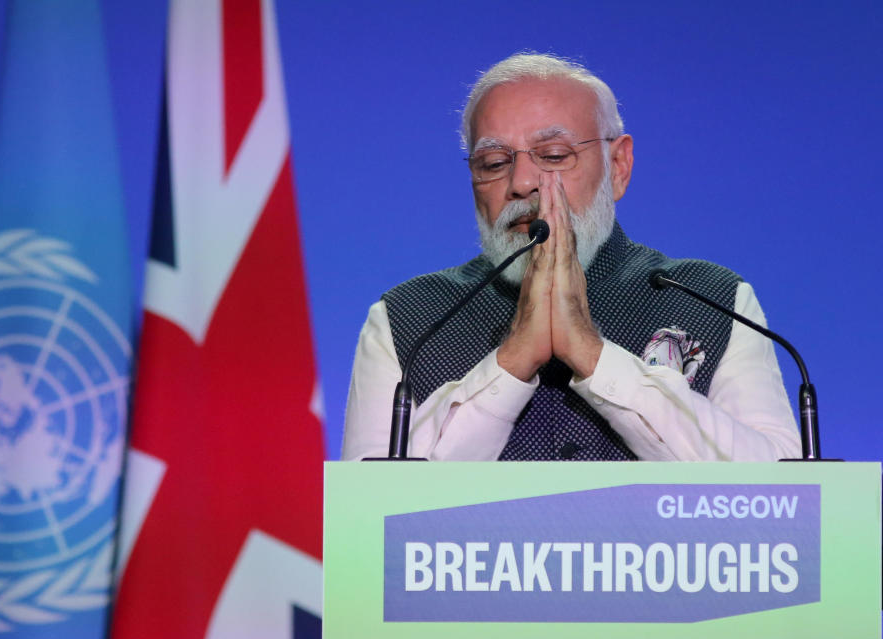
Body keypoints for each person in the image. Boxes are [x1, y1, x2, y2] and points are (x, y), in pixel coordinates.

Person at [341, 53, 801, 462]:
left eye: (554, 155)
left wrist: (594, 356)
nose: (522, 183)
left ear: (618, 168)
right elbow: (369, 513)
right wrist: (513, 359)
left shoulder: (711, 299)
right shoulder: (409, 319)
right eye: (494, 164)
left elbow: (784, 493)